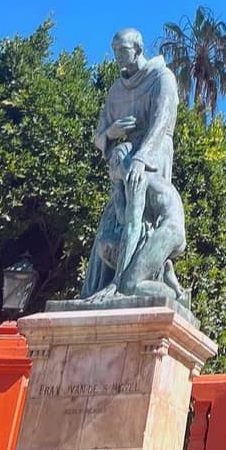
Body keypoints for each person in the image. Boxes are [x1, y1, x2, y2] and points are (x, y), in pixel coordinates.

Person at [80, 28, 187, 304]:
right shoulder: (116, 90)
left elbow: (163, 123)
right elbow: (99, 137)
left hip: (151, 157)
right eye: (114, 51)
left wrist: (140, 159)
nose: (117, 57)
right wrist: (112, 134)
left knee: (139, 221)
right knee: (110, 226)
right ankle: (105, 287)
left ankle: (130, 281)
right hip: (126, 157)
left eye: (122, 51)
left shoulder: (161, 78)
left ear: (138, 50)